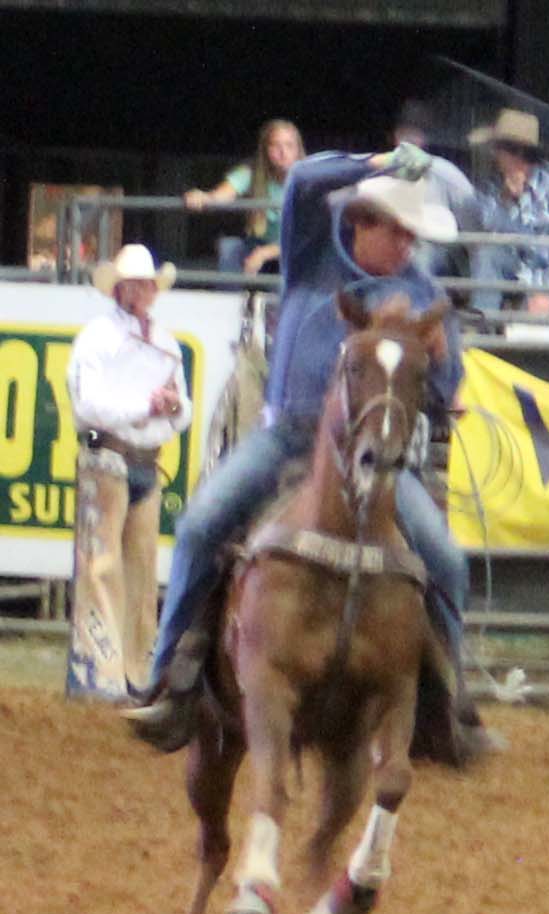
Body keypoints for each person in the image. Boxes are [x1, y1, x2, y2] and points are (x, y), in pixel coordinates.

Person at [126, 144, 487, 755]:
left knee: (447, 561)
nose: (407, 245)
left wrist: (443, 363)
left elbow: (441, 392)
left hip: (371, 454)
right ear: (361, 222)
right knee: (199, 526)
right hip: (287, 437)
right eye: (397, 231)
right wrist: (372, 162)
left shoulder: (422, 292)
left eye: (412, 234)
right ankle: (169, 679)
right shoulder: (312, 254)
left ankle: (448, 704)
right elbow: (302, 180)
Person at [65, 244, 193, 702]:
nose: (141, 291)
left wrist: (171, 407)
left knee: (139, 570)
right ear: (119, 289)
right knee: (103, 568)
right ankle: (102, 675)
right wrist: (149, 407)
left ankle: (135, 672)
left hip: (143, 460)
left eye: (146, 285)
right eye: (134, 284)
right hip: (109, 457)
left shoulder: (164, 342)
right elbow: (89, 406)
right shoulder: (97, 337)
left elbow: (183, 412)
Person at [468, 108, 549, 315]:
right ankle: (481, 321)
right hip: (514, 271)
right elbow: (487, 231)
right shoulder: (492, 184)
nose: (494, 155)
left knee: (533, 322)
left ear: (519, 154)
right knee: (488, 253)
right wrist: (506, 200)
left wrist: (546, 290)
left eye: (499, 149)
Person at [185, 119, 305, 276]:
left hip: (293, 251)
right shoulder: (252, 173)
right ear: (265, 151)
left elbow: (306, 238)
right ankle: (231, 292)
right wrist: (203, 197)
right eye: (275, 146)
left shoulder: (309, 180)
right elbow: (222, 195)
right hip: (259, 244)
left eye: (289, 145)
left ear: (298, 150)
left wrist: (264, 253)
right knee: (229, 247)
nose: (283, 152)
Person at [392, 100, 480, 276]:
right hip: (394, 243)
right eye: (404, 133)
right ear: (395, 136)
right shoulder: (382, 169)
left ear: (424, 139)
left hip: (436, 249)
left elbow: (472, 221)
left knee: (419, 255)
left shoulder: (444, 172)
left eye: (415, 133)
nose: (409, 140)